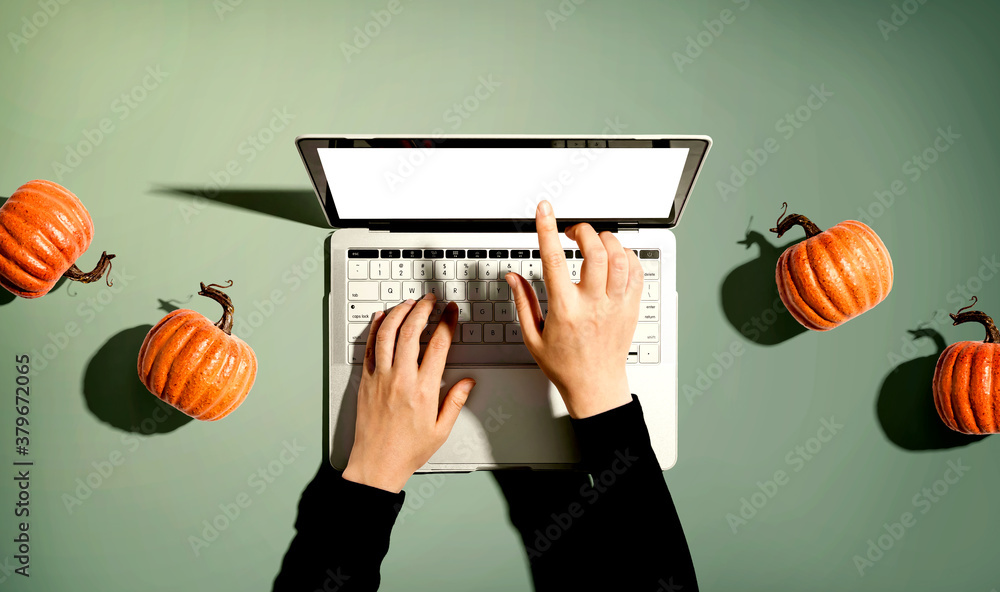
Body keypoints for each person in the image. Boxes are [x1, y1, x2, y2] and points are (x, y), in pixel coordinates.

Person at [273, 200, 699, 591]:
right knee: (548, 506)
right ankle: (536, 462)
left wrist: (372, 474)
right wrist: (600, 388)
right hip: (590, 463)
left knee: (545, 502)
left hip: (365, 491)